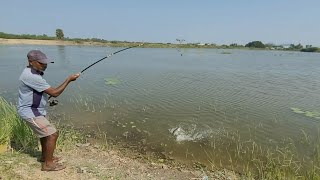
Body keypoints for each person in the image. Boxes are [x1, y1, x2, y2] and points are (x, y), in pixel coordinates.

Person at [17, 50, 80, 171]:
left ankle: (45, 157)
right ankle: (48, 165)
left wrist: (46, 100)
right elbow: (55, 93)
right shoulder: (32, 76)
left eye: (46, 62)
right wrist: (69, 80)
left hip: (37, 109)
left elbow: (37, 93)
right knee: (52, 134)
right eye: (41, 63)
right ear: (31, 62)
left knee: (45, 134)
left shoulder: (32, 72)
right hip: (30, 111)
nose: (45, 65)